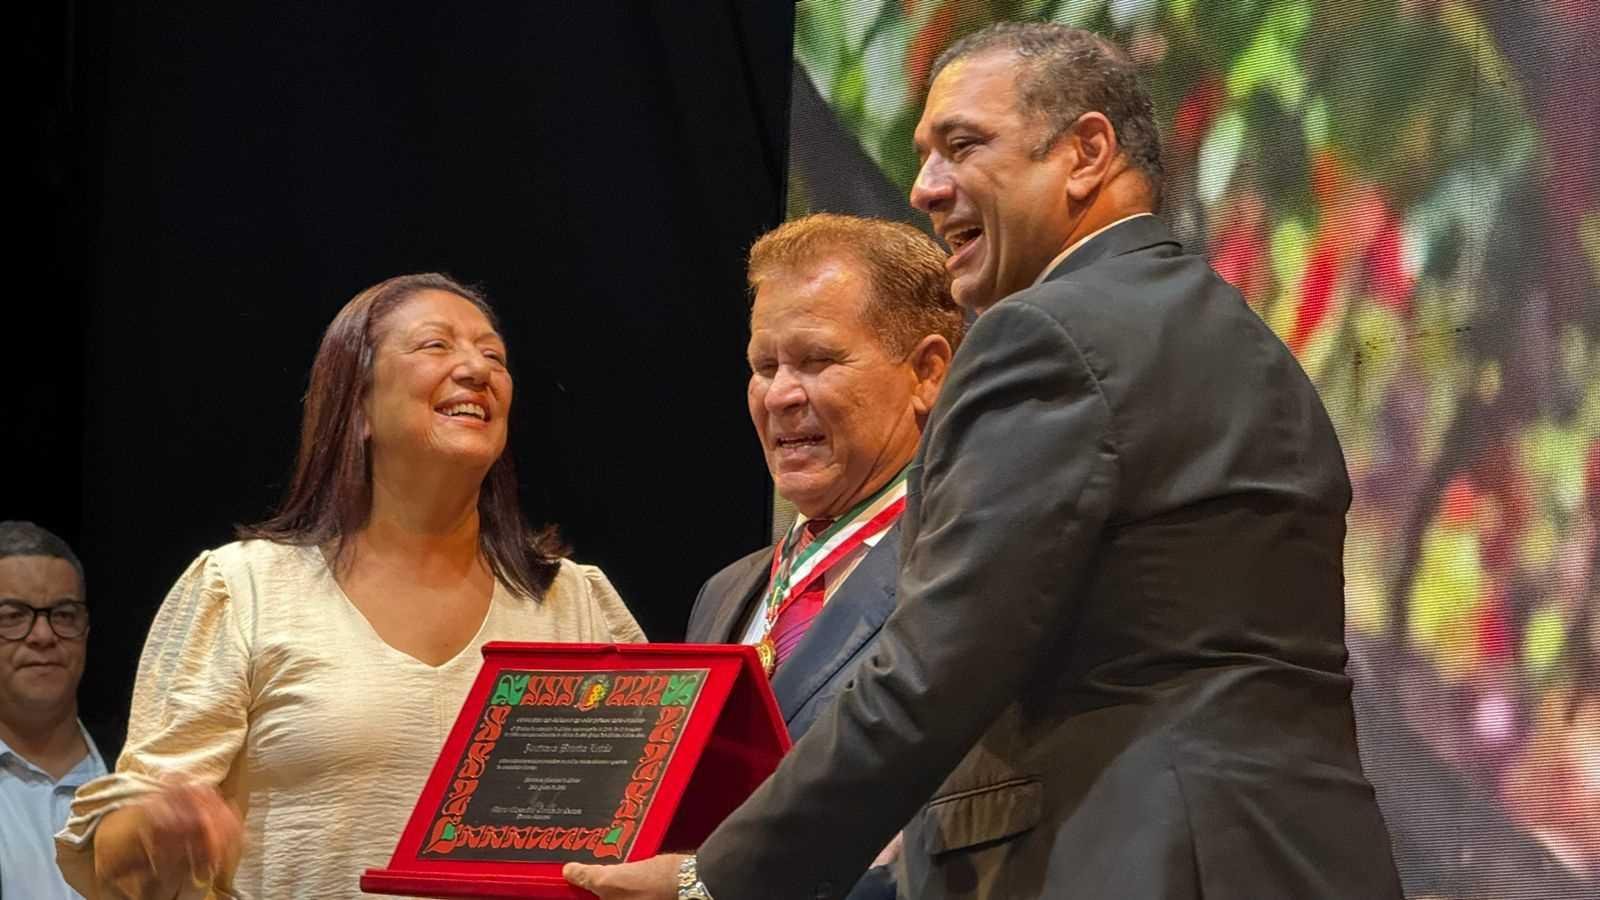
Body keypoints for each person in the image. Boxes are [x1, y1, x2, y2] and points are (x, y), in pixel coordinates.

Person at [566, 22, 1403, 900]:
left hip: (1137, 859)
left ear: (1085, 153)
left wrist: (711, 883)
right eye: (925, 154)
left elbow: (930, 677)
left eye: (962, 147)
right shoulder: (1252, 347)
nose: (926, 188)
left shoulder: (1044, 335)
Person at [57, 273, 646, 899]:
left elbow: (664, 813)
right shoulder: (246, 589)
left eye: (493, 354)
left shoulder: (574, 602)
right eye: (435, 346)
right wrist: (157, 827)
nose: (476, 368)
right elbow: (110, 850)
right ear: (357, 405)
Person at [684, 213, 963, 898]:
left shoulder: (965, 565)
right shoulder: (726, 591)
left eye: (817, 361)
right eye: (763, 366)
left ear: (929, 372)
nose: (780, 395)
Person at [0, 522, 106, 900]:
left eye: (63, 614)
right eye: (12, 616)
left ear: (86, 632)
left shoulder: (145, 767)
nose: (43, 635)